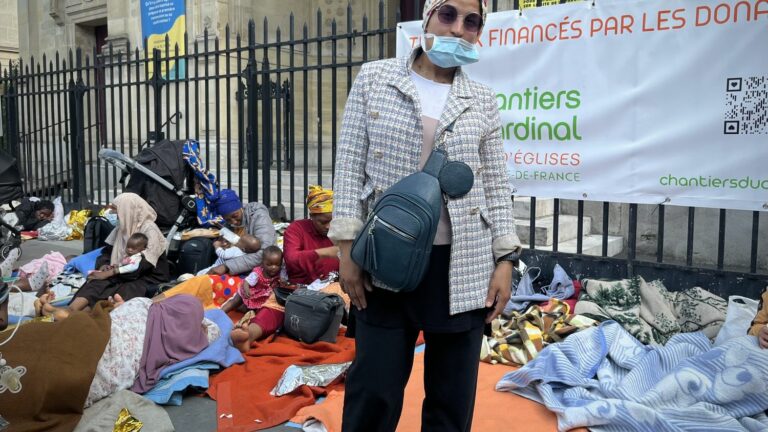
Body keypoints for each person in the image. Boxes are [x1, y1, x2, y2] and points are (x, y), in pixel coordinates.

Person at [328, 1, 522, 430]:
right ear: (428, 17)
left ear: (479, 33)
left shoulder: (482, 100)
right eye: (448, 15)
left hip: (462, 265)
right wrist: (347, 251)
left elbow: (494, 183)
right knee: (372, 395)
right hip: (384, 260)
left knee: (451, 403)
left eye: (471, 22)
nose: (458, 30)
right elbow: (347, 165)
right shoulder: (376, 78)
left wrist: (505, 260)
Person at [55, 193, 170, 312]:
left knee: (122, 290)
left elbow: (143, 265)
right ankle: (71, 309)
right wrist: (104, 266)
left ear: (127, 210)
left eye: (117, 211)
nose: (114, 215)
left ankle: (83, 315)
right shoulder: (121, 228)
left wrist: (112, 273)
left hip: (146, 277)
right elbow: (106, 253)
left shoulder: (150, 230)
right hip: (120, 271)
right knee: (97, 282)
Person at [205, 189, 277, 276]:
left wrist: (226, 266)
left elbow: (265, 253)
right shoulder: (229, 225)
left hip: (258, 271)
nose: (234, 222)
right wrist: (224, 245)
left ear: (240, 207)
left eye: (235, 216)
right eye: (228, 219)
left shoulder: (259, 217)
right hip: (238, 266)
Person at [282, 185, 339, 284]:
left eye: (332, 221)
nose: (328, 226)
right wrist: (324, 252)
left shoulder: (342, 229)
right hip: (303, 290)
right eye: (323, 222)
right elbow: (291, 259)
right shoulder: (296, 229)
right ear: (311, 216)